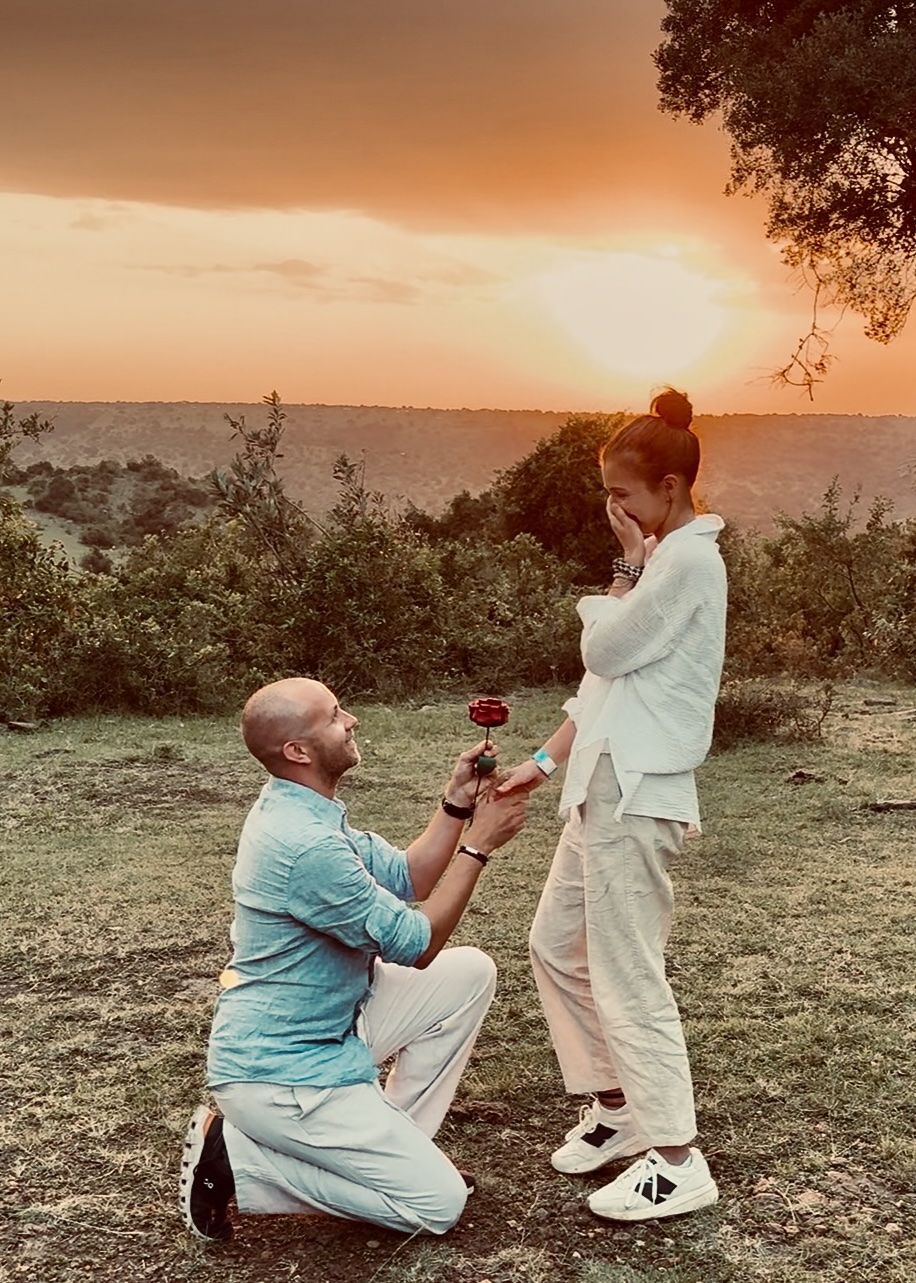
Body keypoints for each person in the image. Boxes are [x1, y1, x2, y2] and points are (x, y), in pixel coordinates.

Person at [179, 676, 527, 1241]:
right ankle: (238, 1164)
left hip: (330, 1026)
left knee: (469, 973)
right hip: (283, 1073)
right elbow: (416, 945)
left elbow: (411, 877)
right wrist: (478, 845)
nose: (352, 721)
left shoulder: (309, 811)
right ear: (299, 751)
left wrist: (457, 803)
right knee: (437, 1209)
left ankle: (395, 1146)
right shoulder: (304, 845)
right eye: (336, 715)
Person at [496, 388, 726, 1222]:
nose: (613, 510)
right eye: (609, 495)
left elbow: (602, 642)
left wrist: (624, 571)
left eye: (623, 495)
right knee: (556, 944)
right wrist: (539, 763)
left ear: (668, 487)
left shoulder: (688, 561)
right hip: (599, 785)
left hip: (640, 792)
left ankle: (676, 1157)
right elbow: (603, 681)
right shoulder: (664, 559)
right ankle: (620, 1109)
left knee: (627, 970)